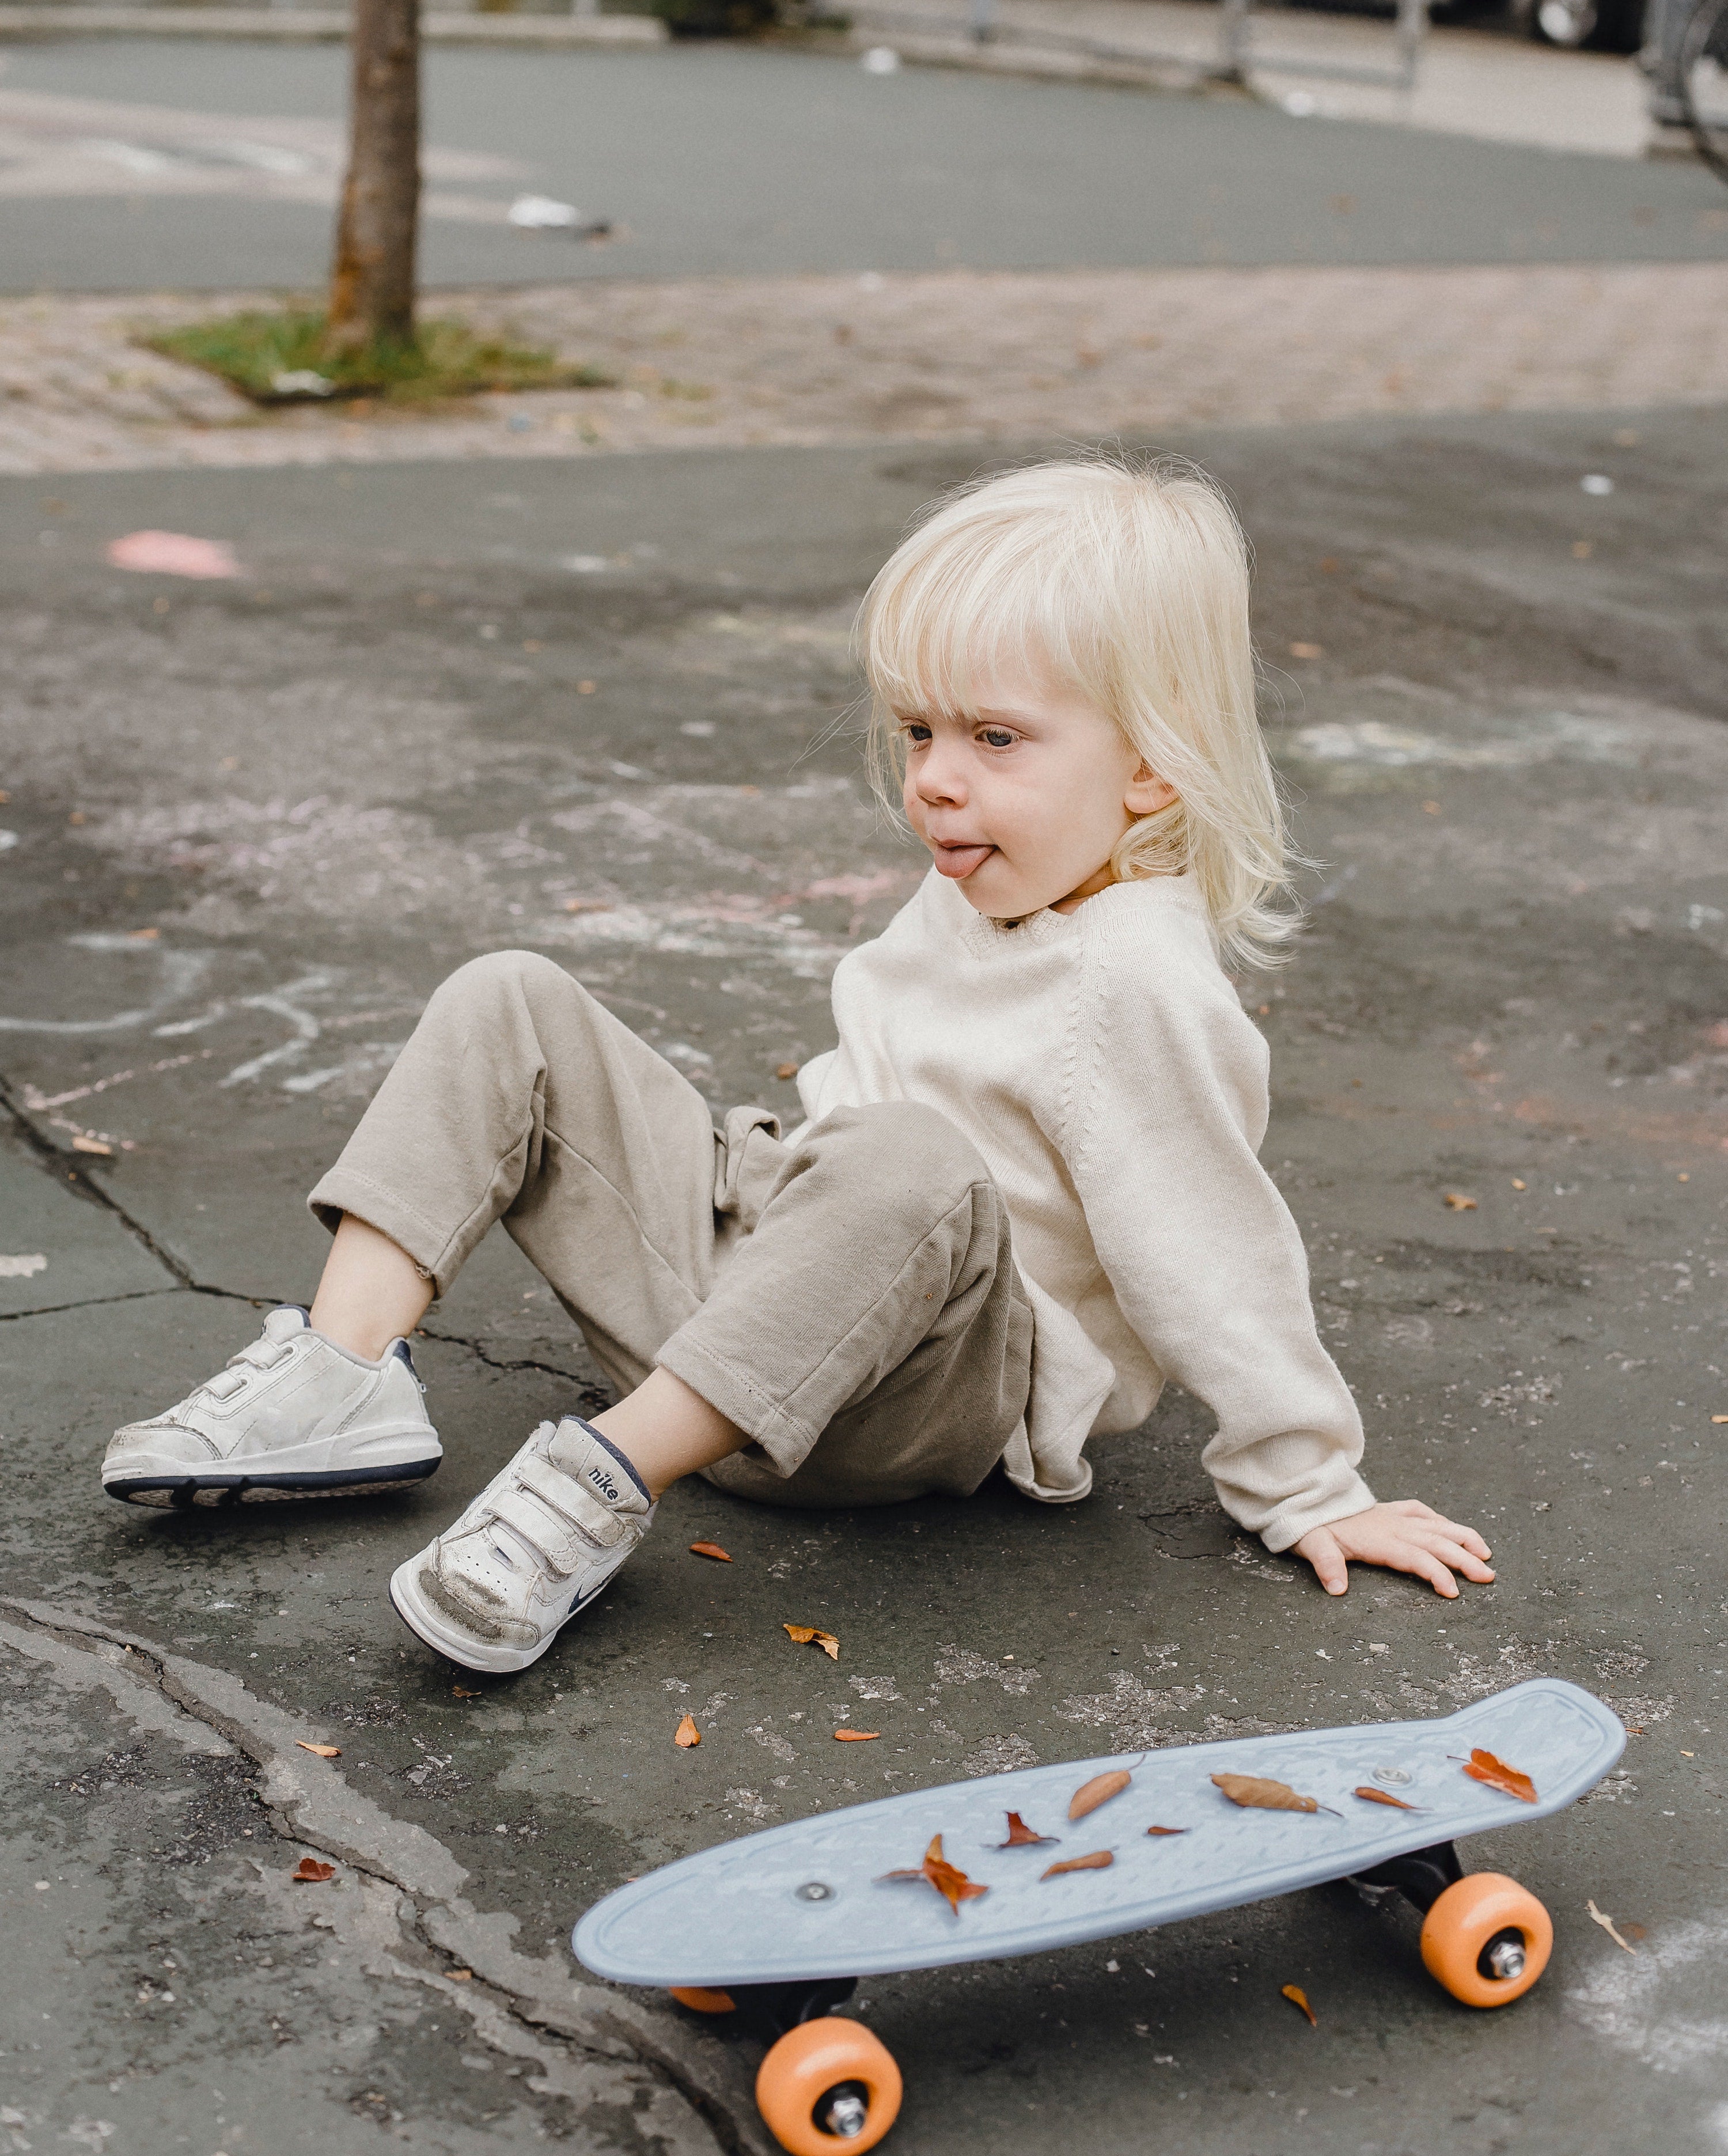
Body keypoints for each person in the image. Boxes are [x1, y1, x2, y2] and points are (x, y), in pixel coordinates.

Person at [101, 458, 1492, 1674]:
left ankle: (592, 1492)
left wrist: (1308, 1486)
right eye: (921, 733)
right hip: (769, 1296)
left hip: (910, 1405)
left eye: (996, 739)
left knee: (912, 1159)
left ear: (1151, 771)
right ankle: (339, 1377)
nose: (937, 780)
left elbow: (1208, 1241)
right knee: (511, 997)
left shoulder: (1136, 977)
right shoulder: (1001, 879)